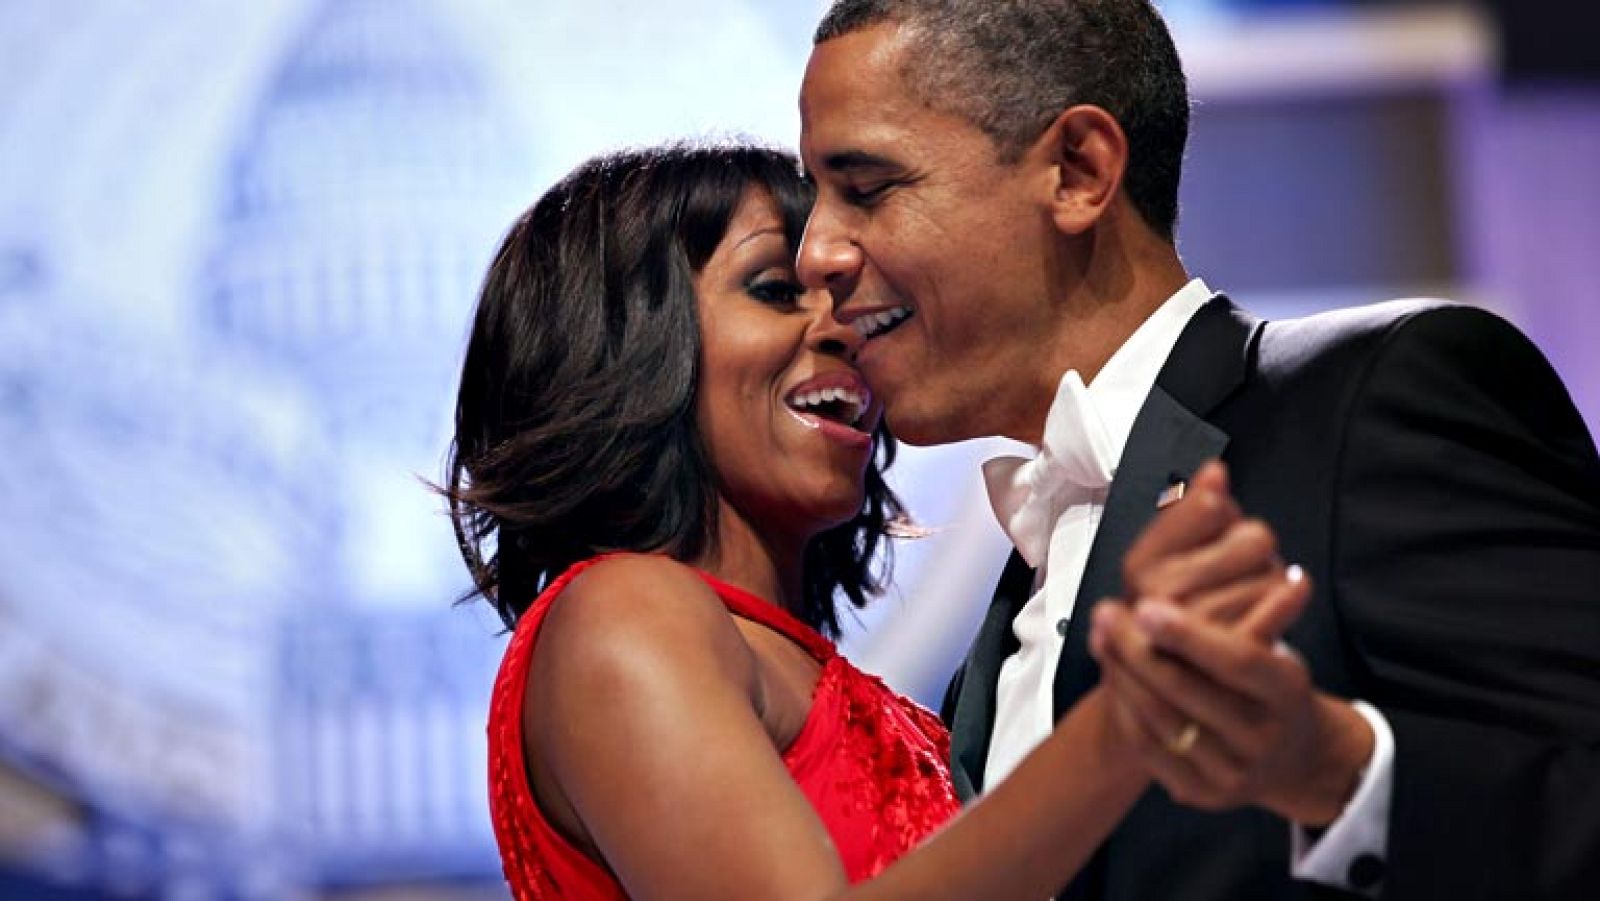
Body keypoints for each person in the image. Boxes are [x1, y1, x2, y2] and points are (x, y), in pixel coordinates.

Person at [795, 1, 1600, 899]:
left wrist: (1337, 768)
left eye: (867, 189)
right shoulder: (999, 631)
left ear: (1078, 170)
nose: (814, 253)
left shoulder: (1380, 394)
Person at [443, 141, 1305, 899]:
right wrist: (1125, 725)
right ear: (625, 345)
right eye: (776, 289)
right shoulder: (622, 613)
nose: (844, 328)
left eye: (846, 295)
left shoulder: (815, 668)